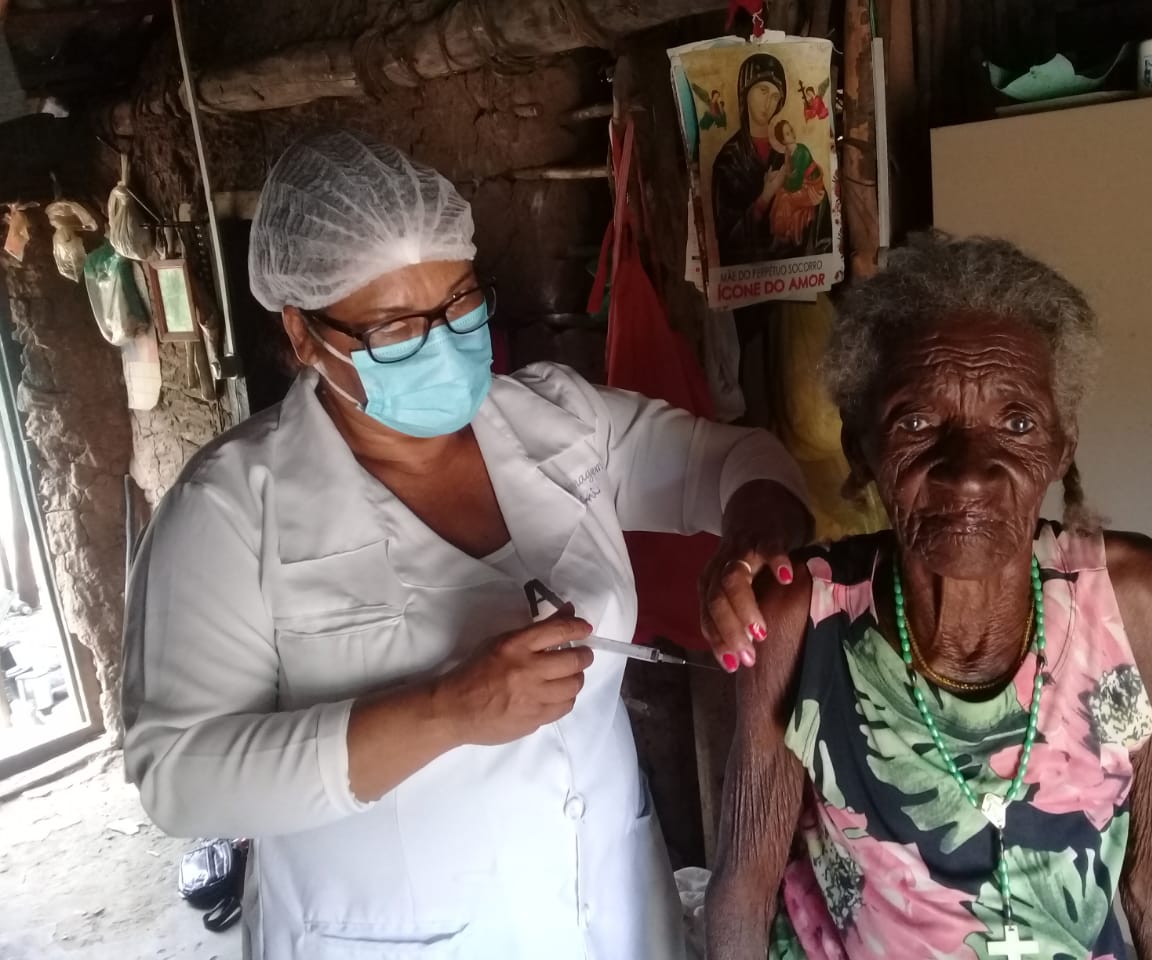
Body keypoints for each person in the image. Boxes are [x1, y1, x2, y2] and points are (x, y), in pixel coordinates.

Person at [121, 131, 811, 960]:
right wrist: (445, 712)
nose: (444, 342)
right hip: (391, 935)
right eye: (395, 328)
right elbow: (182, 777)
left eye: (459, 305)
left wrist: (752, 536)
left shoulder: (555, 418)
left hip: (610, 911)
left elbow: (732, 460)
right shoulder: (229, 511)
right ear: (304, 335)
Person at [706, 234, 1152, 959]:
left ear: (1062, 446)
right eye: (917, 422)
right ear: (863, 448)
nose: (968, 474)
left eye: (1016, 423)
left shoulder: (1133, 602)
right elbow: (743, 887)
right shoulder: (801, 617)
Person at [711, 53, 832, 266]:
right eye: (763, 90)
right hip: (748, 280)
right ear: (745, 92)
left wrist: (814, 199)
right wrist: (765, 198)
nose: (769, 102)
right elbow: (726, 239)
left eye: (776, 96)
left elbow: (820, 224)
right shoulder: (729, 160)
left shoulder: (787, 156)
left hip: (795, 274)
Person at [766, 120, 827, 248]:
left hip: (811, 187)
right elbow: (789, 175)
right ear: (782, 140)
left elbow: (795, 184)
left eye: (791, 130)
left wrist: (782, 183)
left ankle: (785, 236)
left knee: (786, 198)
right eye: (787, 133)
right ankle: (779, 235)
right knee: (780, 195)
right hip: (801, 184)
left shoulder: (801, 152)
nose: (792, 134)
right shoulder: (789, 153)